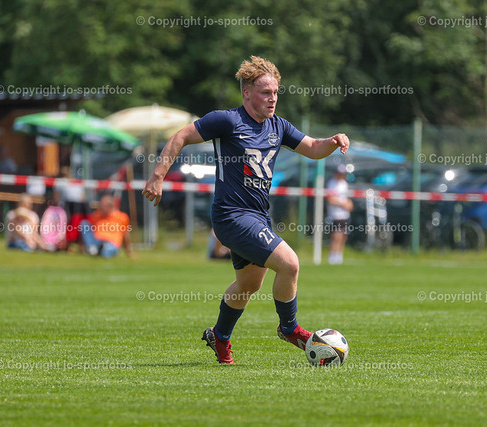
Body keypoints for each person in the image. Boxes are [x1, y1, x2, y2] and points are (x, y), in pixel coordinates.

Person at [142, 56, 350, 364]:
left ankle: (219, 336)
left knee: (249, 284)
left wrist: (333, 141)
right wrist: (158, 175)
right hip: (231, 215)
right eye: (265, 92)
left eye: (275, 92)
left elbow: (313, 148)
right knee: (290, 264)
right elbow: (180, 136)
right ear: (247, 93)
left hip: (258, 216)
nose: (272, 98)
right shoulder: (227, 121)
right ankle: (289, 328)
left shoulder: (278, 126)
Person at [80, 193, 132, 258]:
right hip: (97, 241)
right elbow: (88, 233)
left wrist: (128, 252)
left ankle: (97, 251)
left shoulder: (122, 217)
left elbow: (125, 235)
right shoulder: (96, 215)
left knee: (106, 251)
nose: (100, 208)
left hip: (112, 243)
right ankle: (93, 248)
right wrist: (81, 247)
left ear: (110, 206)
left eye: (102, 206)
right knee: (84, 224)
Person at [326, 164, 353, 264]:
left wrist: (349, 203)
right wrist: (343, 203)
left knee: (343, 235)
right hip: (335, 214)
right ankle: (333, 255)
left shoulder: (344, 184)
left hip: (344, 214)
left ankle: (339, 255)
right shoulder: (332, 183)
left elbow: (346, 198)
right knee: (336, 235)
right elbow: (330, 199)